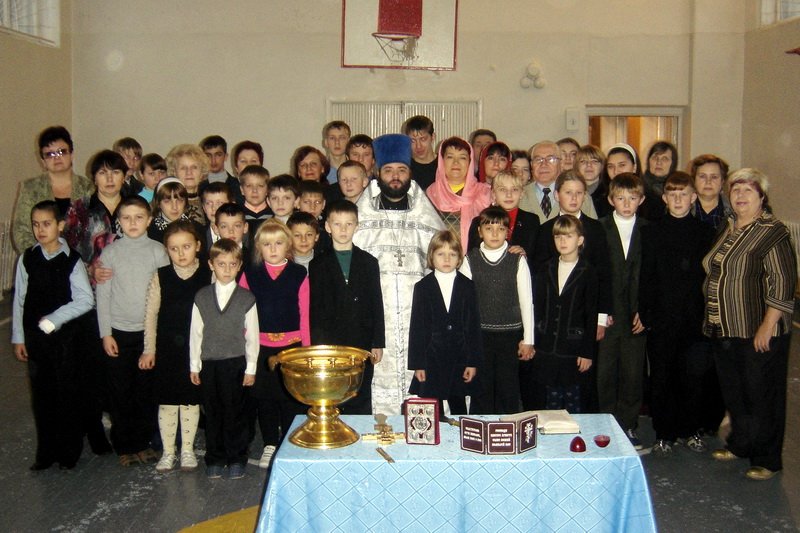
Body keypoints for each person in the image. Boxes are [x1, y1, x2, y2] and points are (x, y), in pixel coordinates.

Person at [703, 168, 796, 481]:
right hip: (724, 326)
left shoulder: (773, 231)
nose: (740, 196)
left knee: (762, 395)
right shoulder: (728, 225)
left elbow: (783, 281)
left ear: (762, 197)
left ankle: (767, 458)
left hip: (757, 328)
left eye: (748, 190)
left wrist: (768, 325)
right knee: (735, 392)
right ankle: (740, 444)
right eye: (736, 189)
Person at [353, 134, 445, 414]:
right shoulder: (361, 216)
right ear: (377, 172)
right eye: (389, 170)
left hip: (417, 314)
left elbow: (444, 264)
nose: (395, 176)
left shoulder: (425, 216)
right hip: (377, 314)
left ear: (410, 173)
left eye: (402, 170)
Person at [12, 200, 94, 470]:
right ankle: (46, 453)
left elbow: (85, 299)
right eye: (36, 224)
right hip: (36, 340)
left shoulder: (71, 260)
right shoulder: (27, 258)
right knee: (42, 395)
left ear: (60, 225)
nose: (40, 230)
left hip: (65, 341)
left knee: (66, 394)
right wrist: (19, 337)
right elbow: (20, 299)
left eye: (46, 224)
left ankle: (69, 452)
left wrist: (54, 319)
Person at [638, 171, 714, 456]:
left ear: (693, 197)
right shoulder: (651, 232)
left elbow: (710, 279)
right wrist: (644, 313)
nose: (678, 199)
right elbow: (646, 277)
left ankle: (692, 430)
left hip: (695, 319)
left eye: (684, 194)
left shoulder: (706, 233)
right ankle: (664, 433)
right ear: (665, 198)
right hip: (662, 318)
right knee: (662, 377)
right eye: (673, 194)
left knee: (693, 377)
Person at [95, 196, 170, 466]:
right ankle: (124, 445)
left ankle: (144, 442)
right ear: (119, 222)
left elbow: (165, 295)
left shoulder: (158, 251)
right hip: (118, 333)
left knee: (145, 391)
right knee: (120, 391)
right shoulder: (110, 253)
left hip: (148, 334)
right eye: (126, 218)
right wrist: (106, 333)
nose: (133, 223)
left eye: (139, 217)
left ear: (149, 220)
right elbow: (103, 296)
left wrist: (155, 340)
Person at [141, 220, 211, 473]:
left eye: (186, 246)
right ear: (166, 250)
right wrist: (149, 349)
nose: (181, 253)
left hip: (196, 350)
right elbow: (150, 315)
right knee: (168, 402)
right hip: (168, 349)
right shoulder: (161, 276)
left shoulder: (208, 274)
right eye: (174, 248)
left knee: (190, 401)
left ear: (198, 246)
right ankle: (169, 452)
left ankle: (188, 450)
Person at [239, 219, 309, 468]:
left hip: (292, 346)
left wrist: (306, 350)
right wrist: (245, 345)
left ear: (287, 245)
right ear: (258, 247)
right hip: (261, 347)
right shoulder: (250, 274)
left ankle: (289, 443)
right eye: (267, 244)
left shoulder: (299, 273)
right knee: (265, 397)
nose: (273, 249)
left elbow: (305, 313)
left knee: (290, 396)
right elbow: (242, 312)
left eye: (278, 243)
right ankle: (270, 443)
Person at [190, 238, 259, 480]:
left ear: (239, 266)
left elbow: (252, 336)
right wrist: (194, 365)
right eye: (221, 264)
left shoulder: (246, 298)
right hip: (209, 363)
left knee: (235, 413)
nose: (227, 269)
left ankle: (236, 458)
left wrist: (251, 368)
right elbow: (196, 333)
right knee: (213, 413)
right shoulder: (202, 297)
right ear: (211, 265)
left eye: (232, 264)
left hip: (235, 363)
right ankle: (215, 458)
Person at [309, 200, 385, 414]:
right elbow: (316, 309)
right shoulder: (318, 264)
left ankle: (359, 431)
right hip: (331, 341)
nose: (343, 230)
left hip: (362, 339)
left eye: (348, 224)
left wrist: (377, 342)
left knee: (361, 391)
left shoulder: (369, 262)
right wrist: (319, 346)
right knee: (334, 392)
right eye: (337, 224)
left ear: (357, 226)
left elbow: (376, 302)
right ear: (327, 226)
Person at [460, 206, 534, 414]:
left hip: (510, 336)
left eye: (500, 229)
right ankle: (480, 428)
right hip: (480, 336)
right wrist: (465, 340)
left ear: (507, 232)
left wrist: (528, 339)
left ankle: (507, 430)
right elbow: (464, 305)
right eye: (489, 228)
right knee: (481, 389)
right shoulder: (470, 259)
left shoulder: (517, 260)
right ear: (479, 231)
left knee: (507, 389)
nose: (494, 234)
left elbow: (527, 301)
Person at [596, 173, 647, 449]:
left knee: (632, 374)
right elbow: (596, 275)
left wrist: (645, 311)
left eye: (632, 198)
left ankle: (628, 424)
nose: (626, 204)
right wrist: (600, 312)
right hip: (608, 314)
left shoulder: (648, 230)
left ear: (641, 200)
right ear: (610, 199)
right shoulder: (600, 228)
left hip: (635, 316)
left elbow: (652, 276)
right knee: (604, 373)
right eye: (620, 198)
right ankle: (605, 425)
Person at [408, 230, 482, 415]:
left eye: (452, 254)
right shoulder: (423, 287)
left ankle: (459, 432)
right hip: (431, 358)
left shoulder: (468, 286)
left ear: (459, 258)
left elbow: (473, 327)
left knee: (459, 407)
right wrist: (418, 364)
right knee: (433, 409)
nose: (447, 259)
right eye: (441, 254)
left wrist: (472, 362)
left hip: (460, 357)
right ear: (432, 257)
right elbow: (417, 329)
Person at [531, 215, 598, 412]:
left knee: (572, 402)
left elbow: (591, 314)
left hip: (573, 348)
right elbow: (537, 307)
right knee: (549, 402)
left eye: (568, 236)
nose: (562, 241)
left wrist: (587, 352)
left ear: (580, 240)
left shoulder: (588, 271)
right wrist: (534, 339)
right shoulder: (545, 268)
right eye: (558, 236)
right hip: (547, 346)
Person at [13, 126, 94, 253]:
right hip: (40, 259)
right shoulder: (30, 188)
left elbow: (94, 230)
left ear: (72, 154)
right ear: (43, 161)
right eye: (50, 154)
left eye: (62, 152)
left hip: (81, 259)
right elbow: (21, 231)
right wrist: (43, 258)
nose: (56, 158)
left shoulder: (88, 187)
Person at [63, 149, 127, 281]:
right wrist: (89, 269)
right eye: (102, 173)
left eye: (115, 172)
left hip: (129, 280)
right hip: (89, 283)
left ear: (124, 177)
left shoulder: (136, 207)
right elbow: (66, 248)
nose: (109, 179)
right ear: (95, 179)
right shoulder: (79, 208)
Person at [426, 136, 491, 251]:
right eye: (450, 157)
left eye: (462, 158)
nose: (456, 162)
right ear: (441, 161)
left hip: (474, 259)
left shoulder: (484, 194)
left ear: (470, 162)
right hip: (437, 258)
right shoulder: (429, 196)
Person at [466, 170, 540, 268]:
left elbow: (537, 260)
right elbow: (472, 258)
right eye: (502, 189)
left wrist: (525, 257)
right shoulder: (479, 221)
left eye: (514, 189)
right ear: (493, 194)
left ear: (522, 193)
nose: (509, 195)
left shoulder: (531, 221)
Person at [520, 140, 597, 221]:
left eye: (550, 159)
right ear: (531, 164)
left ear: (561, 164)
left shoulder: (580, 196)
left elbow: (592, 226)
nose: (543, 164)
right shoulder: (520, 195)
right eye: (538, 159)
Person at [147, 178, 202, 244]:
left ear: (185, 202)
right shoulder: (149, 231)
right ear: (158, 203)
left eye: (180, 201)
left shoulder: (197, 229)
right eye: (167, 201)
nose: (174, 207)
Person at [166, 144, 209, 225]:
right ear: (174, 172)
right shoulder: (166, 204)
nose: (189, 172)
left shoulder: (210, 202)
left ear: (202, 172)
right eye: (183, 168)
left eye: (194, 167)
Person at [689, 153, 732, 232]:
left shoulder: (734, 211)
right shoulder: (682, 208)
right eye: (702, 176)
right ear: (694, 180)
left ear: (722, 181)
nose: (708, 182)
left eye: (714, 177)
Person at [199, 135, 244, 204]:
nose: (213, 160)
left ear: (226, 156)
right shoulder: (197, 186)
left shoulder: (238, 186)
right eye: (208, 155)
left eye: (218, 155)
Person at [640, 141, 678, 221]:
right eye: (655, 158)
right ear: (648, 161)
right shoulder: (639, 187)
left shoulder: (678, 188)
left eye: (664, 159)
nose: (659, 162)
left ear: (673, 163)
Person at [575, 145, 611, 219]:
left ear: (602, 166)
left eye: (594, 161)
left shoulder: (610, 192)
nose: (589, 165)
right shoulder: (570, 192)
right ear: (577, 166)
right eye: (583, 161)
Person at [403, 115, 437, 190]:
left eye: (423, 139)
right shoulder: (404, 168)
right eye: (413, 140)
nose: (418, 146)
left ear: (433, 137)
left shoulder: (444, 164)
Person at [239, 165, 272, 240]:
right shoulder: (236, 214)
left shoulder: (274, 214)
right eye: (249, 186)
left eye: (260, 186)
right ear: (242, 190)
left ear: (267, 189)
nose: (254, 190)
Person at [200, 181, 232, 250]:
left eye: (220, 203)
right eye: (209, 203)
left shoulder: (241, 234)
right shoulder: (199, 235)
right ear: (204, 208)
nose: (214, 208)